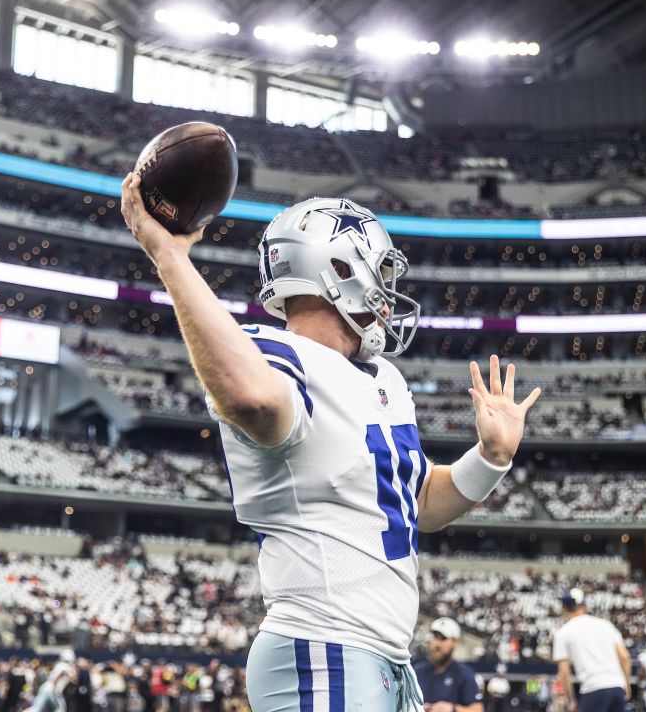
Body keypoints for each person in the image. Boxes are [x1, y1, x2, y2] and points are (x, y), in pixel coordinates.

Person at [121, 179, 541, 712]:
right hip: (324, 645)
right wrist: (171, 257)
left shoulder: (382, 378)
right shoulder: (275, 352)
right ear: (339, 271)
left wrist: (490, 459)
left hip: (381, 657)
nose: (388, 295)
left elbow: (417, 506)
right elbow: (254, 400)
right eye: (379, 274)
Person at [552, 589, 631, 712]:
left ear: (563, 608)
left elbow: (564, 672)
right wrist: (627, 684)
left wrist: (571, 699)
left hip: (593, 689)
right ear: (585, 606)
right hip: (616, 687)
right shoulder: (605, 625)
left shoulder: (563, 633)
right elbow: (624, 657)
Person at [413, 618, 484, 712]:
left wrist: (452, 709)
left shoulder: (464, 674)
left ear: (454, 643)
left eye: (443, 639)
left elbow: (478, 709)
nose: (437, 644)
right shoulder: (418, 671)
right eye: (435, 637)